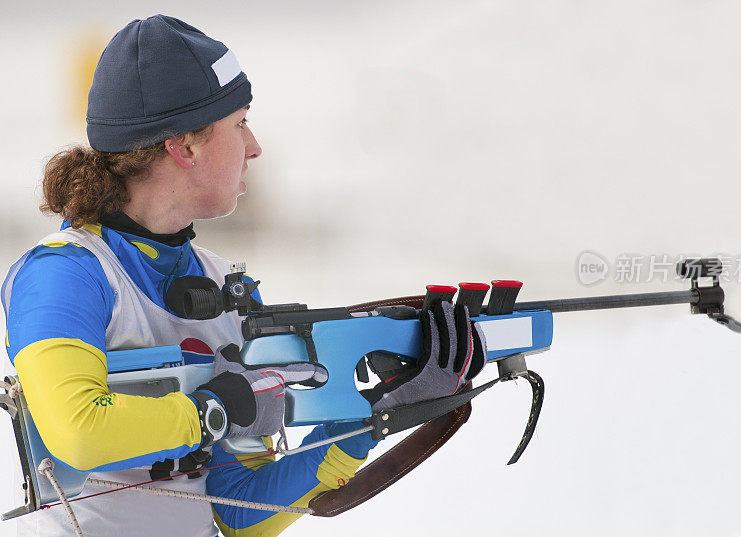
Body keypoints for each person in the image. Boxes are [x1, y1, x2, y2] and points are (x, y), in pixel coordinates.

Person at [2, 14, 486, 537]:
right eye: (239, 124)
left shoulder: (226, 288)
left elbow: (239, 514)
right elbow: (79, 432)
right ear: (184, 146)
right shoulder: (62, 276)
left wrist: (371, 417)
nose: (254, 147)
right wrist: (213, 409)